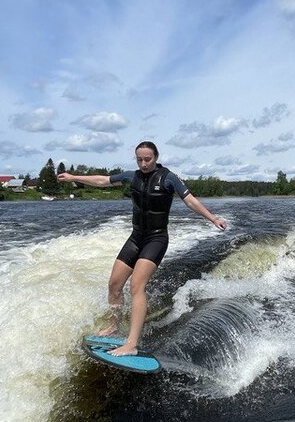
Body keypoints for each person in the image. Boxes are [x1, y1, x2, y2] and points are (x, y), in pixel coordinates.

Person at [58, 141, 227, 356]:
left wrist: (213, 219)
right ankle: (114, 326)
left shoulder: (168, 178)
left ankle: (132, 343)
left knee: (136, 285)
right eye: (139, 159)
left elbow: (190, 201)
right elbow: (103, 180)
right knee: (114, 284)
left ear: (155, 157)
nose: (144, 163)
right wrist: (74, 178)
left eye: (148, 159)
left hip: (156, 239)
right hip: (136, 237)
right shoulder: (132, 176)